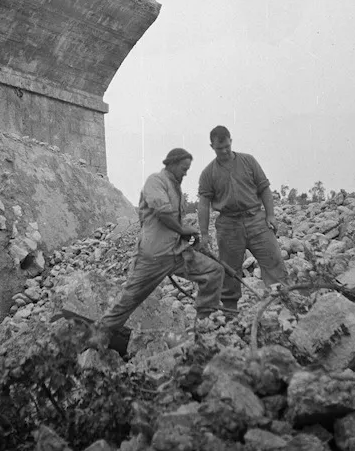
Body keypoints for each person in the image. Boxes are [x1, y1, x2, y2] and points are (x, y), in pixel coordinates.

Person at [88, 147, 225, 348]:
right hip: (153, 256)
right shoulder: (156, 181)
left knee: (214, 271)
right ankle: (100, 335)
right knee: (131, 297)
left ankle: (202, 328)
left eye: (188, 169)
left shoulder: (175, 187)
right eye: (183, 168)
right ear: (171, 164)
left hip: (177, 253)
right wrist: (184, 229)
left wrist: (188, 238)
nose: (186, 172)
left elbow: (173, 225)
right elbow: (163, 213)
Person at [197, 125, 288, 315]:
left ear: (231, 141)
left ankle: (282, 308)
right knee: (229, 274)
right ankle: (232, 316)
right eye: (218, 148)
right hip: (228, 226)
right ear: (211, 146)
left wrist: (270, 215)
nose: (223, 151)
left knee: (274, 262)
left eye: (226, 147)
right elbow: (204, 204)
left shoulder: (248, 161)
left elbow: (264, 188)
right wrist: (204, 234)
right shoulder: (208, 173)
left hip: (256, 220)